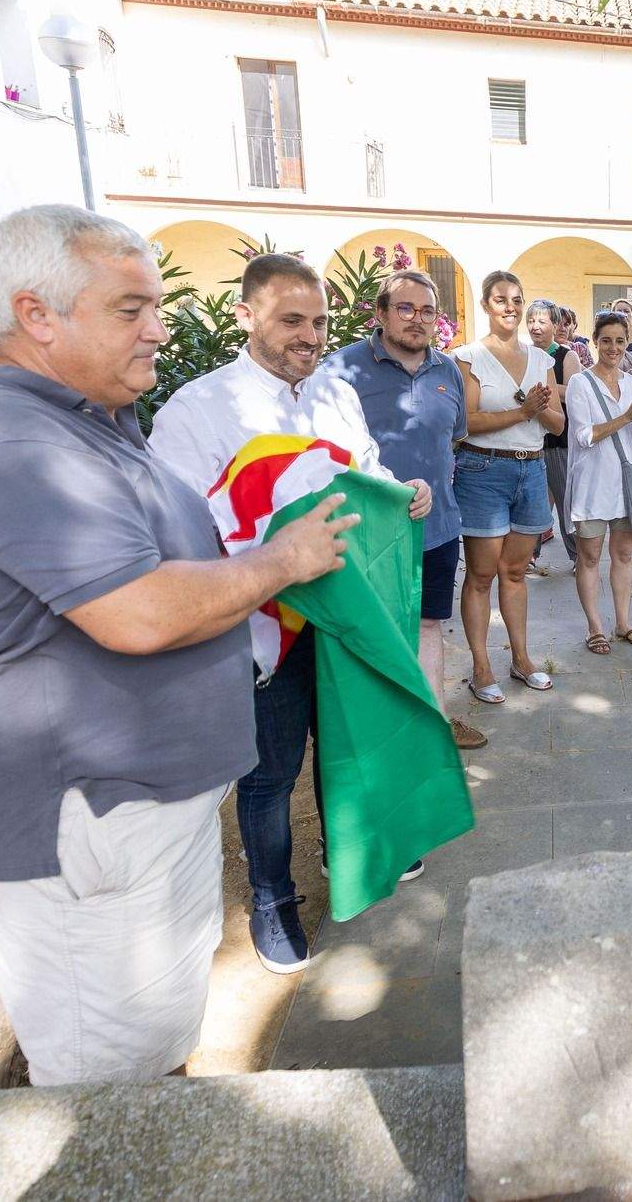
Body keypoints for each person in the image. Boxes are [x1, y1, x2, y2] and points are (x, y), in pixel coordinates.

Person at [0, 205, 357, 1082]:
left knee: (152, 1057)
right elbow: (137, 610)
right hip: (86, 827)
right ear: (37, 315)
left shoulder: (82, 420)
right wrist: (282, 560)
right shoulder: (6, 443)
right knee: (106, 1089)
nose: (158, 327)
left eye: (154, 305)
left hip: (137, 821)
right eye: (129, 309)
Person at [150, 251, 435, 974]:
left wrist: (400, 490)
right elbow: (177, 528)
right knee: (270, 773)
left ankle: (348, 856)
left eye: (318, 321)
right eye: (290, 321)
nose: (309, 336)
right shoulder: (198, 410)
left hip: (341, 616)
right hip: (262, 628)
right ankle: (271, 900)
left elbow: (361, 470)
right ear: (245, 316)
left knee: (345, 748)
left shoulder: (335, 394)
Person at [317, 266, 488, 753]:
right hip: (366, 530)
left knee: (428, 624)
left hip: (436, 526)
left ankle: (432, 726)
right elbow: (320, 453)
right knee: (370, 633)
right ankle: (378, 737)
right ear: (381, 313)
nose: (418, 319)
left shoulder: (447, 370)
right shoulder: (341, 370)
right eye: (406, 308)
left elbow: (452, 435)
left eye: (428, 311)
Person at [452, 271, 563, 703]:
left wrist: (538, 409)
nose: (511, 307)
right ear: (486, 305)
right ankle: (481, 668)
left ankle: (521, 658)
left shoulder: (542, 359)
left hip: (531, 470)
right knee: (480, 575)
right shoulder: (468, 356)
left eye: (517, 299)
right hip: (483, 471)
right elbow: (467, 422)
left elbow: (557, 422)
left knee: (515, 572)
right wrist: (524, 410)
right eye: (501, 300)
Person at [566, 312, 632, 652]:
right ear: (596, 341)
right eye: (606, 340)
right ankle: (594, 627)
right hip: (592, 485)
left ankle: (623, 623)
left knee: (623, 554)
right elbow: (584, 435)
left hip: (627, 484)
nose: (614, 347)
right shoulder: (580, 383)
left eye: (620, 340)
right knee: (589, 557)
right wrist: (627, 415)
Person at [526, 299, 578, 568]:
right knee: (532, 502)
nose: (535, 327)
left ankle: (579, 556)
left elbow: (574, 393)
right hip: (528, 440)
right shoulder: (521, 354)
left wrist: (541, 388)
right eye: (531, 321)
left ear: (556, 325)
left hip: (559, 441)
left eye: (542, 321)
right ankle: (529, 556)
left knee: (564, 499)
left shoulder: (566, 356)